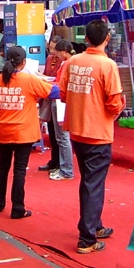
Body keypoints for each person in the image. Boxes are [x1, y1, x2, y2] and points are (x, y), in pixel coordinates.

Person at [57, 19, 125, 254]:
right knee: (93, 183)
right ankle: (87, 238)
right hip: (98, 132)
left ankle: (94, 225)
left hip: (77, 130)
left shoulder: (73, 61)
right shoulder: (108, 65)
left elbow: (62, 94)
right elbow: (114, 103)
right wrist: (119, 107)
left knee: (89, 181)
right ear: (107, 38)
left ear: (86, 38)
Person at [0, 45, 53, 218]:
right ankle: (17, 208)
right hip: (24, 132)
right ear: (24, 62)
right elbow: (54, 92)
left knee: (3, 167)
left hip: (4, 131)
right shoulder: (29, 80)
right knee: (19, 171)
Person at [46, 39, 75, 181]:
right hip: (59, 99)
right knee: (60, 137)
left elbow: (62, 84)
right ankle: (63, 166)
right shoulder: (67, 63)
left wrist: (48, 83)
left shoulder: (68, 64)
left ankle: (66, 169)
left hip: (61, 101)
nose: (54, 54)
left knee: (63, 137)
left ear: (63, 52)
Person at [37, 35, 62, 173]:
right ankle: (54, 160)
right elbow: (46, 73)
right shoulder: (49, 59)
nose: (52, 51)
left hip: (59, 98)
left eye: (54, 48)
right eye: (50, 48)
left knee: (60, 135)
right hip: (49, 96)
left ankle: (61, 163)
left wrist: (48, 79)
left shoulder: (64, 61)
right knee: (52, 131)